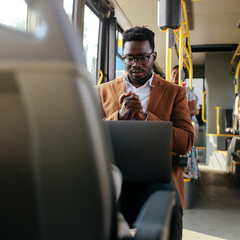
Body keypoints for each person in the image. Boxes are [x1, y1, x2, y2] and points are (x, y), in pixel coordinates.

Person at [96, 26, 194, 239]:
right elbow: (89, 136)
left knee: (171, 204)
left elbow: (186, 141)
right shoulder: (102, 91)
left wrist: (147, 119)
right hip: (113, 174)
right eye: (130, 58)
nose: (136, 64)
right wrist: (120, 117)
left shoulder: (175, 92)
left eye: (143, 58)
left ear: (154, 56)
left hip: (157, 178)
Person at [171, 65, 201, 180]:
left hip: (186, 120)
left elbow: (194, 110)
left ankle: (187, 167)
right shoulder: (166, 89)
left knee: (186, 133)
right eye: (174, 73)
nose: (176, 76)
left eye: (179, 74)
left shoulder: (187, 92)